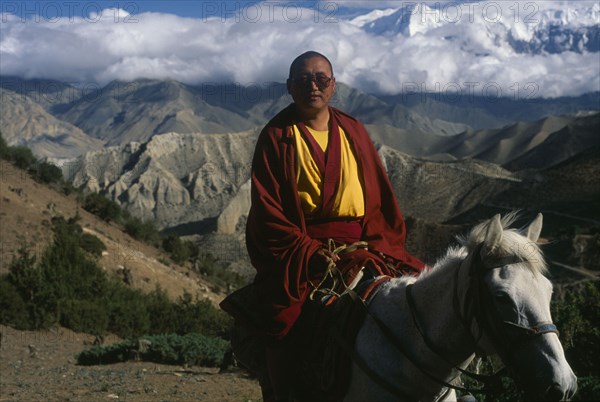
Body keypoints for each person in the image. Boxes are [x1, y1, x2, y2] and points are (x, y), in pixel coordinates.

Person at [226, 51, 426, 402]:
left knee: (428, 295)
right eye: (303, 80)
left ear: (333, 86)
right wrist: (309, 252)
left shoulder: (353, 131)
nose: (313, 86)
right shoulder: (276, 136)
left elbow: (380, 202)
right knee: (284, 324)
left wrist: (377, 248)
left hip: (363, 247)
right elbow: (268, 215)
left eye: (321, 78)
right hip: (303, 252)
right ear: (290, 87)